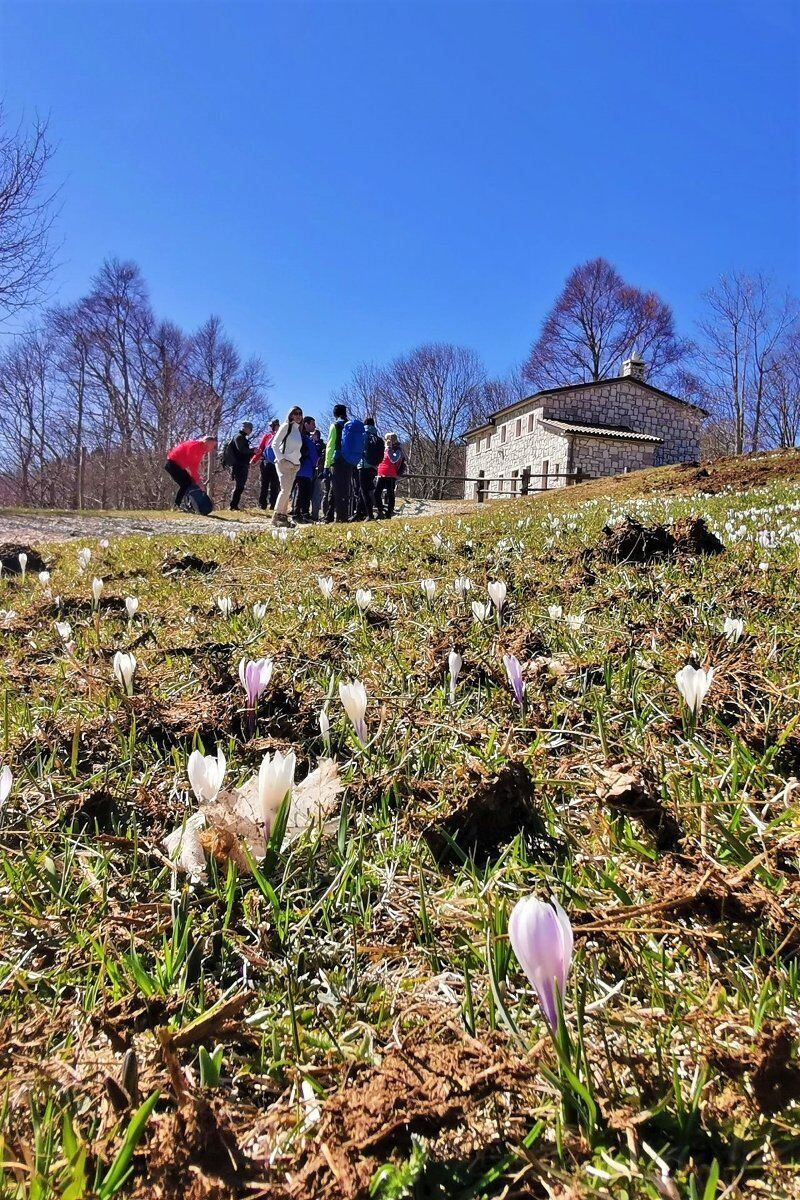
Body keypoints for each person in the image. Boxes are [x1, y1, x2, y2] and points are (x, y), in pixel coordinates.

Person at [324, 403, 365, 523]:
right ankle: (329, 516)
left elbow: (330, 446)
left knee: (339, 489)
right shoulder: (350, 425)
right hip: (349, 460)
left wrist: (327, 464)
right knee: (340, 488)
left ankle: (341, 518)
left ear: (335, 413)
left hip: (337, 460)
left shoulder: (335, 425)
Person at [271, 405, 304, 527]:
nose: (298, 416)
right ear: (290, 415)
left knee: (288, 491)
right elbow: (274, 444)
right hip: (283, 464)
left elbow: (296, 450)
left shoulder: (297, 430)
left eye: (300, 413)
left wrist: (298, 462)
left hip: (294, 465)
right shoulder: (286, 426)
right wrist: (282, 459)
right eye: (295, 413)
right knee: (285, 490)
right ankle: (277, 516)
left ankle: (283, 518)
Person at [164, 435, 217, 508]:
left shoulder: (201, 450)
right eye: (212, 445)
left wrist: (198, 480)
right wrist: (198, 481)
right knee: (186, 484)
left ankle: (191, 506)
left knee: (190, 483)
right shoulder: (195, 446)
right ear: (207, 443)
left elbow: (195, 465)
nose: (213, 448)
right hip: (172, 464)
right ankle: (176, 505)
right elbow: (192, 466)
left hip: (178, 466)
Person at [354, 416, 384, 521]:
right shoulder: (377, 437)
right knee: (370, 489)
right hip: (374, 467)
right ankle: (362, 513)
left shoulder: (363, 435)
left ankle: (369, 515)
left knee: (363, 491)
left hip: (363, 465)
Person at [293, 416, 320, 523]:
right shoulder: (304, 438)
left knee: (305, 492)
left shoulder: (304, 437)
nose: (314, 426)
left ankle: (303, 513)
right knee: (301, 492)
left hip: (305, 469)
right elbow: (313, 455)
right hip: (303, 469)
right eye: (313, 424)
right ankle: (297, 514)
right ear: (306, 424)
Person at [375, 433, 405, 519]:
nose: (386, 441)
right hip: (381, 474)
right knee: (377, 493)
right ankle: (380, 511)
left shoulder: (397, 449)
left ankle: (389, 513)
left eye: (387, 439)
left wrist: (389, 449)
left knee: (390, 493)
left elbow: (393, 459)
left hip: (390, 475)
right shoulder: (384, 449)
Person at [224, 422, 254, 510]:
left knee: (240, 485)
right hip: (239, 465)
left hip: (241, 464)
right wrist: (253, 450)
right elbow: (242, 450)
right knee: (239, 486)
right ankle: (233, 505)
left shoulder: (241, 437)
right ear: (247, 428)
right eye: (250, 429)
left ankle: (234, 505)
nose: (251, 431)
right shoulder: (239, 437)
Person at [252, 419, 280, 511]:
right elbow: (261, 448)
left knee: (274, 484)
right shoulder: (267, 436)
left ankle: (273, 504)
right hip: (266, 463)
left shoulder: (281, 436)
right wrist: (254, 459)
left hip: (276, 463)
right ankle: (262, 504)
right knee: (264, 484)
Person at [310, 428, 325, 521]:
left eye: (313, 435)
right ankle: (313, 514)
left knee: (316, 493)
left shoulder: (319, 445)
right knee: (314, 493)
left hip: (318, 472)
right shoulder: (317, 444)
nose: (312, 436)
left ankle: (315, 514)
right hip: (313, 471)